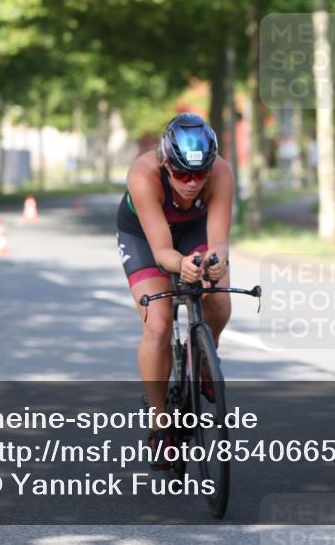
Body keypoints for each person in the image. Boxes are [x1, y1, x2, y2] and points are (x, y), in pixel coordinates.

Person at [115, 113, 233, 465]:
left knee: (219, 295)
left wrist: (217, 261)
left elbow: (219, 243)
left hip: (194, 228)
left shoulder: (222, 173)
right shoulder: (142, 174)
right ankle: (159, 423)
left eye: (200, 174)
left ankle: (203, 360)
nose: (192, 183)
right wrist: (179, 264)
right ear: (165, 163)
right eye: (182, 173)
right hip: (145, 236)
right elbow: (164, 252)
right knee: (159, 322)